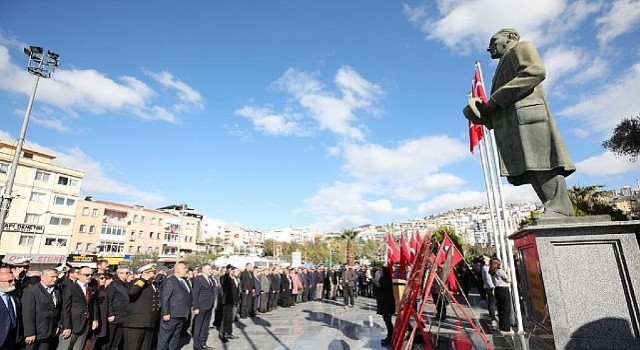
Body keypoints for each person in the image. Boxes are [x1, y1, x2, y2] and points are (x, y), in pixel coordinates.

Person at [463, 28, 575, 218]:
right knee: (532, 167)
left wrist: (495, 101)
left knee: (544, 162)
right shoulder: (504, 61)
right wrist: (484, 115)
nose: (489, 48)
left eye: (493, 40)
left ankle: (560, 207)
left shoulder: (521, 47)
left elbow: (535, 71)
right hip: (516, 122)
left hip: (530, 118)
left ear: (509, 38)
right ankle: (552, 206)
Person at [58, 266, 99, 350]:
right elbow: (65, 308)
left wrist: (95, 319)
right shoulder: (70, 288)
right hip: (72, 324)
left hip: (85, 324)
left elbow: (93, 304)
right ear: (79, 275)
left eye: (91, 274)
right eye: (87, 275)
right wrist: (66, 326)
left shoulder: (90, 288)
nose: (90, 277)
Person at [122, 264, 160, 350]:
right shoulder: (137, 282)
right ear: (144, 273)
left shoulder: (153, 284)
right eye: (151, 273)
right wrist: (143, 279)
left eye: (154, 273)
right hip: (136, 322)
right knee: (133, 347)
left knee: (145, 347)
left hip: (149, 321)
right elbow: (132, 292)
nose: (153, 275)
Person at [22, 269, 61, 350]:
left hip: (48, 332)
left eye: (56, 277)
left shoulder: (56, 290)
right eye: (52, 277)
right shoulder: (31, 291)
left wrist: (56, 325)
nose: (55, 279)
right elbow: (28, 313)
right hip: (35, 332)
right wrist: (30, 333)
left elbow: (57, 309)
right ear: (42, 277)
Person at [157, 263, 192, 350]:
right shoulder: (170, 280)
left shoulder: (184, 280)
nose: (186, 270)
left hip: (182, 314)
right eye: (184, 268)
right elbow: (165, 298)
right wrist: (166, 313)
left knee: (175, 336)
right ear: (177, 270)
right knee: (165, 338)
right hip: (171, 314)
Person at [191, 264, 217, 350]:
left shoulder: (210, 279)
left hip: (209, 305)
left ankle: (203, 342)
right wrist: (196, 307)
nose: (210, 270)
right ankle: (197, 344)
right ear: (203, 270)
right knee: (199, 325)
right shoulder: (199, 279)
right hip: (201, 306)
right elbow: (195, 293)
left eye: (210, 269)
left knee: (205, 326)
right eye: (208, 269)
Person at [105, 268, 130, 350]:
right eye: (124, 273)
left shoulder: (128, 284)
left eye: (127, 273)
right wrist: (110, 314)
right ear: (119, 274)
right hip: (115, 315)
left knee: (117, 341)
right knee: (109, 340)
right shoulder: (114, 284)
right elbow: (109, 299)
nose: (126, 274)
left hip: (124, 316)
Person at [489, 258, 513, 335]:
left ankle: (502, 326)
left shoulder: (492, 271)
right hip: (504, 290)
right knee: (506, 309)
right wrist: (508, 272)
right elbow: (508, 280)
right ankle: (506, 329)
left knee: (501, 308)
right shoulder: (500, 271)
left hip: (497, 290)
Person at [373, 267, 395, 346]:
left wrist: (371, 279)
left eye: (381, 271)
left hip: (387, 303)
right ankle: (389, 336)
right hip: (383, 302)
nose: (380, 272)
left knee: (388, 321)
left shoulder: (387, 279)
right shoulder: (382, 278)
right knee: (386, 321)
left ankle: (390, 337)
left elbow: (380, 286)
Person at [0, 270, 21, 350]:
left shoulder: (14, 297)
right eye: (9, 281)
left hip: (12, 339)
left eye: (14, 280)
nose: (13, 283)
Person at [219, 265, 239, 343]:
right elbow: (223, 283)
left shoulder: (234, 279)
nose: (233, 272)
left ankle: (229, 333)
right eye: (232, 270)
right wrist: (228, 273)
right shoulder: (224, 278)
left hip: (233, 301)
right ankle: (223, 334)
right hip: (226, 301)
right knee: (225, 318)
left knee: (230, 318)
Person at [481, 256, 498, 327]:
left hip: (488, 287)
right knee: (492, 303)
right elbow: (488, 279)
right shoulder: (486, 267)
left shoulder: (486, 267)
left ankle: (492, 316)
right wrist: (492, 287)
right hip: (490, 287)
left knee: (491, 302)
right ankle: (493, 319)